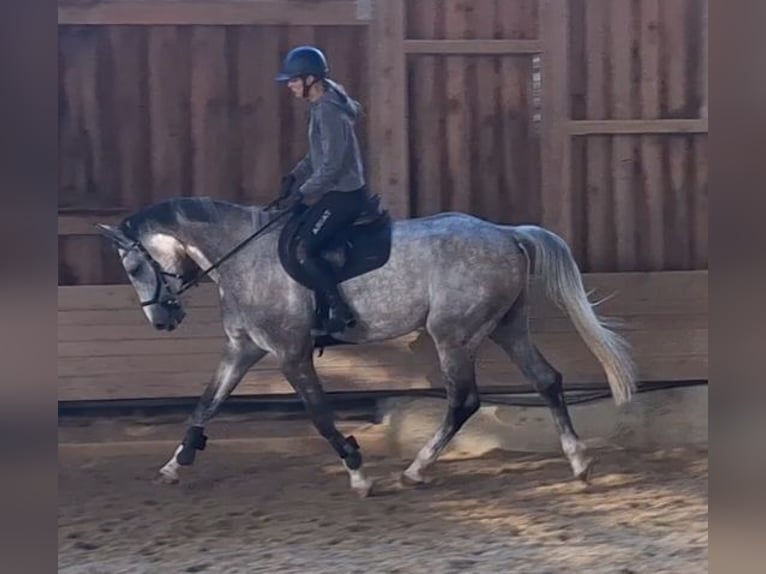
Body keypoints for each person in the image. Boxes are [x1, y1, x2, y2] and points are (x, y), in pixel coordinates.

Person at [275, 45, 371, 334]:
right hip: (334, 192)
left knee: (305, 248)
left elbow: (332, 165)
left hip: (346, 195)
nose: (290, 85)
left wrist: (303, 192)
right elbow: (316, 155)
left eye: (293, 79)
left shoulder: (329, 110)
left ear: (311, 80)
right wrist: (295, 176)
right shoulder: (320, 106)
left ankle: (340, 313)